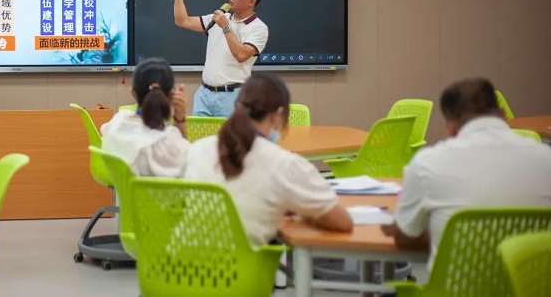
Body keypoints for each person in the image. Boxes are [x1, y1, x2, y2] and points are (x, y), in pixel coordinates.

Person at [386, 78, 551, 265]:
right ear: (503, 115)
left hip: (454, 283)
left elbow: (405, 238)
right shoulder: (546, 158)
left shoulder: (427, 163)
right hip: (528, 281)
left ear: (451, 127)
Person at [185, 74, 352, 247]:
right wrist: (304, 212)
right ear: (278, 115)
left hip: (182, 261)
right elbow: (343, 222)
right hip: (247, 264)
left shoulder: (196, 150)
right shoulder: (284, 164)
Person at [173, 0, 269, 118]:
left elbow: (241, 55)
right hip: (204, 94)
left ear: (251, 2)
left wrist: (225, 27)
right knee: (199, 133)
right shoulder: (219, 17)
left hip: (233, 96)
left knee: (231, 134)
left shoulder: (258, 28)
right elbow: (182, 21)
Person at [100, 57, 189, 177]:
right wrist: (180, 120)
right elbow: (186, 166)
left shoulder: (115, 125)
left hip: (125, 190)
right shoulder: (168, 141)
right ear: (171, 95)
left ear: (133, 92)